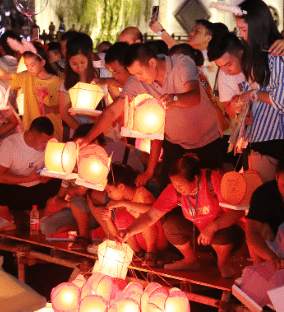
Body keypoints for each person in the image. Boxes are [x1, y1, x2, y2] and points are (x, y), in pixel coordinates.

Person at [80, 43, 224, 188]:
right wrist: (88, 138)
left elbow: (194, 97)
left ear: (152, 62)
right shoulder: (137, 83)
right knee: (169, 193)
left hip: (208, 141)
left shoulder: (181, 64)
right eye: (133, 74)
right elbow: (112, 111)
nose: (138, 78)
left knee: (210, 189)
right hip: (174, 144)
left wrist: (174, 99)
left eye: (139, 73)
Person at [119, 154, 244, 279]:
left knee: (222, 234)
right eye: (174, 184)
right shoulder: (174, 190)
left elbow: (238, 212)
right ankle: (190, 260)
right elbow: (151, 216)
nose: (177, 188)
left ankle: (223, 262)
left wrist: (213, 227)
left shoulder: (213, 180)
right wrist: (128, 231)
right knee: (170, 224)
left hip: (226, 234)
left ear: (195, 179)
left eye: (181, 185)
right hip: (200, 237)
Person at [227, 0, 284, 183]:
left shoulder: (277, 53)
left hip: (276, 137)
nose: (242, 36)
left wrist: (252, 95)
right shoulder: (258, 53)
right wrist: (248, 107)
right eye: (239, 30)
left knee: (266, 196)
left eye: (244, 30)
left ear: (258, 26)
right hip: (258, 134)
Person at [0, 117, 60, 232]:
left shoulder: (53, 144)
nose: (46, 145)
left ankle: (39, 217)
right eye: (43, 141)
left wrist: (49, 177)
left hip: (40, 189)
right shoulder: (11, 144)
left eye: (49, 141)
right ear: (30, 135)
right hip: (17, 189)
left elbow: (57, 168)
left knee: (63, 182)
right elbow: (0, 176)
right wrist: (28, 178)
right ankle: (7, 220)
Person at [0, 46, 63, 141]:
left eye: (32, 65)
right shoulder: (26, 77)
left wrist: (50, 109)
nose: (29, 68)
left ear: (43, 62)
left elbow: (67, 109)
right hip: (31, 130)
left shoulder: (58, 82)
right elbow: (6, 76)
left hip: (52, 131)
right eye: (27, 65)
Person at [102, 164, 167, 265]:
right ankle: (137, 253)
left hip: (158, 239)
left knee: (143, 217)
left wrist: (124, 203)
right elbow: (117, 235)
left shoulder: (140, 192)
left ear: (121, 186)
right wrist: (108, 219)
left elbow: (153, 211)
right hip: (141, 242)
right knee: (121, 217)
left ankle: (151, 252)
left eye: (109, 191)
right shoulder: (120, 203)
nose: (109, 195)